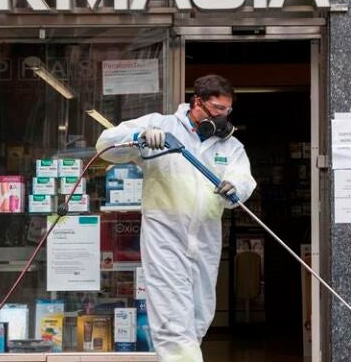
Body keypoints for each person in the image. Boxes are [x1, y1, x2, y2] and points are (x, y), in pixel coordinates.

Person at [96, 74, 256, 362]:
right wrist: (138, 138)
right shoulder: (161, 126)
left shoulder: (230, 147)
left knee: (198, 317)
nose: (223, 116)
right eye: (218, 109)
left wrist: (236, 187)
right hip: (165, 238)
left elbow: (244, 178)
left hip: (205, 240)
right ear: (198, 103)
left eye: (227, 110)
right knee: (172, 320)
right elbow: (105, 145)